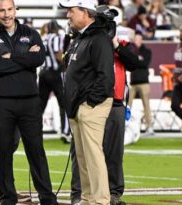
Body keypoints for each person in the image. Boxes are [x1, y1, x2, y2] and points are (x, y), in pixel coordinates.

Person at [0, 0, 58, 204]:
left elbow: (38, 58)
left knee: (36, 151)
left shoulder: (30, 33)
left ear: (15, 10)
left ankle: (47, 197)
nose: (6, 14)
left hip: (30, 101)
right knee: (3, 152)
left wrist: (10, 56)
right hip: (0, 102)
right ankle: (7, 198)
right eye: (1, 10)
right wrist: (23, 58)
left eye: (9, 9)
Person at [60, 0, 115, 204]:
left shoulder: (98, 38)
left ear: (85, 12)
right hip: (77, 106)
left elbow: (106, 77)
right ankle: (88, 198)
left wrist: (89, 104)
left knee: (93, 156)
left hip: (90, 106)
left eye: (71, 11)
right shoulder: (81, 38)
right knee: (82, 158)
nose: (68, 15)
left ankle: (100, 201)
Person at [40, 19, 71, 143]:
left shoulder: (44, 38)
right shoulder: (56, 38)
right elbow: (59, 55)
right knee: (64, 104)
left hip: (43, 73)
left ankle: (32, 130)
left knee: (40, 105)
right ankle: (65, 132)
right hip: (55, 73)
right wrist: (66, 64)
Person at [128, 31, 153, 135]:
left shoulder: (147, 51)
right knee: (128, 105)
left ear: (141, 40)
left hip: (144, 82)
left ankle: (149, 126)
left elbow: (145, 64)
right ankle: (126, 124)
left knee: (146, 105)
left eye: (139, 39)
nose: (137, 41)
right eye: (136, 39)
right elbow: (130, 62)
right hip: (133, 82)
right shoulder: (131, 49)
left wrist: (135, 60)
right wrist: (138, 60)